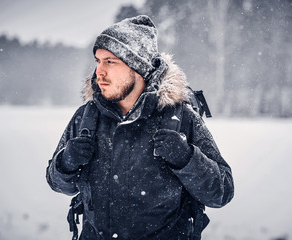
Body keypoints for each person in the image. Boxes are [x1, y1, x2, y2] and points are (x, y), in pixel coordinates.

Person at [46, 15, 234, 240]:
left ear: (137, 68)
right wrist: (66, 162)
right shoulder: (87, 118)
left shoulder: (180, 118)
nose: (99, 72)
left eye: (110, 61)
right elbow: (58, 184)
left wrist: (187, 159)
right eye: (98, 61)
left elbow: (221, 192)